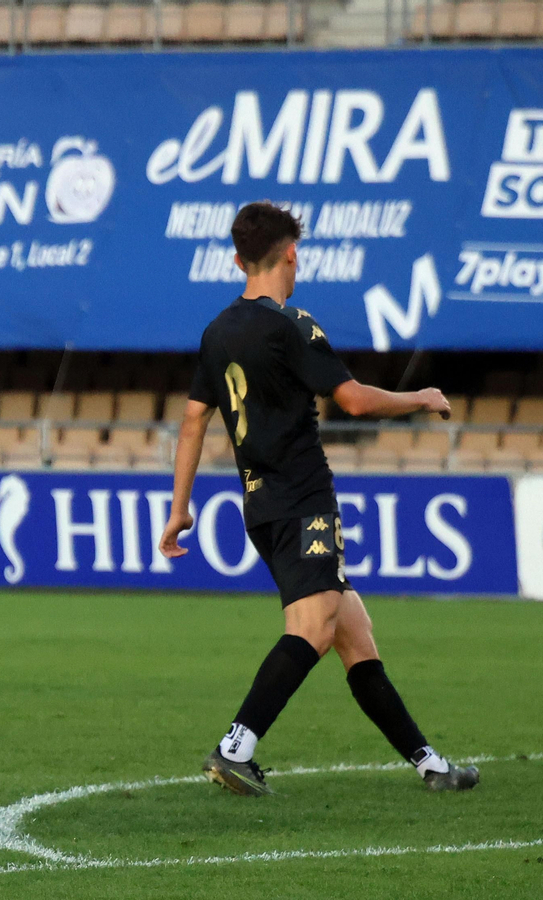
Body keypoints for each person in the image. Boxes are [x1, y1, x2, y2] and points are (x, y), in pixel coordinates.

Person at [159, 201, 478, 795]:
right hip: (302, 498)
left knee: (353, 633)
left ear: (238, 261)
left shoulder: (216, 332)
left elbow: (193, 420)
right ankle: (235, 747)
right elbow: (352, 399)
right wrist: (421, 397)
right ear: (291, 254)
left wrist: (180, 508)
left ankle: (431, 766)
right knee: (312, 626)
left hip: (260, 506)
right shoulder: (293, 325)